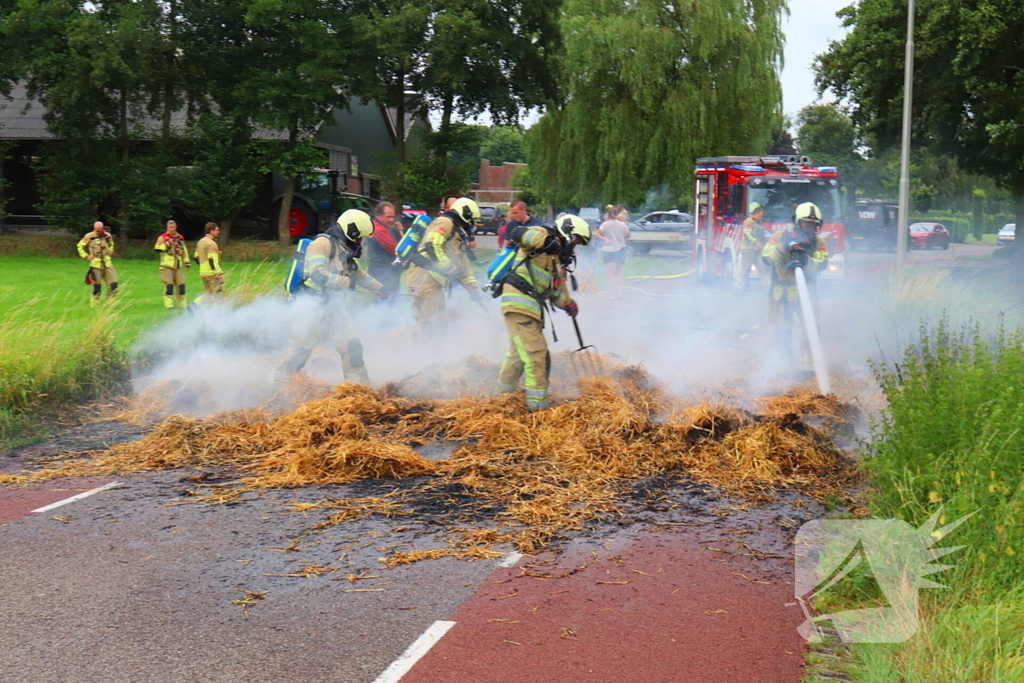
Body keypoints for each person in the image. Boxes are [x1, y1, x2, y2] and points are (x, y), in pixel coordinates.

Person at [276, 209, 387, 384]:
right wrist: (347, 283)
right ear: (353, 233)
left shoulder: (344, 249)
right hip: (312, 309)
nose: (363, 243)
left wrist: (381, 288)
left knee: (353, 348)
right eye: (362, 238)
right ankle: (278, 392)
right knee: (300, 353)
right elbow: (318, 275)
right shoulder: (322, 244)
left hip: (333, 308)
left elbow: (359, 275)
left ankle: (360, 392)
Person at [495, 215, 590, 411]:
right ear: (568, 231)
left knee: (518, 355)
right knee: (536, 355)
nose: (575, 246)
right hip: (519, 303)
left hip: (530, 309)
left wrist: (567, 304)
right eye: (576, 240)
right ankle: (537, 410)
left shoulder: (557, 260)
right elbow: (517, 233)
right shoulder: (541, 234)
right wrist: (547, 243)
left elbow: (554, 292)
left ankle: (501, 398)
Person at [405, 197, 483, 332]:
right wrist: (448, 267)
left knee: (441, 322)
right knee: (426, 323)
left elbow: (464, 269)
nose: (472, 224)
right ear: (465, 214)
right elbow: (432, 245)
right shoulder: (445, 222)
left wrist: (474, 291)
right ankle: (419, 351)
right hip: (422, 282)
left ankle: (435, 351)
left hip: (434, 285)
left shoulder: (457, 234)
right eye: (472, 220)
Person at [761, 202, 829, 353]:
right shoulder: (780, 236)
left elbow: (822, 264)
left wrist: (807, 261)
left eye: (813, 224)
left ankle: (807, 367)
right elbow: (766, 258)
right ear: (797, 222)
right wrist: (783, 246)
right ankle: (783, 365)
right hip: (781, 293)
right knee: (782, 330)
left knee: (811, 331)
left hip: (807, 292)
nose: (809, 227)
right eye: (806, 223)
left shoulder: (819, 242)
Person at [366, 201, 403, 297]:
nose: (392, 219)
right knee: (386, 304)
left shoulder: (384, 227)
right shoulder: (379, 229)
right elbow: (397, 251)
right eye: (388, 217)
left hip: (386, 271)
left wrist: (397, 231)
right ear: (379, 215)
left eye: (393, 216)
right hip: (383, 274)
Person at [77, 221, 118, 307]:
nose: (97, 232)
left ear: (103, 229)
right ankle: (95, 305)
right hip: (96, 264)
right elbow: (80, 246)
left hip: (107, 263)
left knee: (113, 284)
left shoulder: (108, 236)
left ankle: (111, 304)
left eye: (99, 231)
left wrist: (110, 251)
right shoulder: (89, 236)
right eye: (96, 230)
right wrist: (85, 256)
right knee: (97, 286)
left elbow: (111, 244)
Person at [154, 219, 191, 309]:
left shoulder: (180, 238)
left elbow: (184, 251)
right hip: (167, 265)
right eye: (170, 227)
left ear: (176, 227)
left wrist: (187, 262)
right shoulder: (162, 237)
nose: (172, 229)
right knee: (169, 285)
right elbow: (157, 248)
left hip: (178, 265)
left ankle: (183, 304)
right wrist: (167, 244)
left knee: (181, 285)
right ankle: (169, 305)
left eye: (173, 227)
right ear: (167, 227)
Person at [596, 208, 630, 299]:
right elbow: (628, 236)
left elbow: (597, 234)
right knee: (619, 272)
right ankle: (619, 293)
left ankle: (612, 294)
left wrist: (605, 239)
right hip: (621, 249)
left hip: (608, 250)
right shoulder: (623, 224)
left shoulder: (605, 224)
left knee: (611, 273)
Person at [735, 203, 766, 292]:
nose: (762, 217)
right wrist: (756, 243)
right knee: (746, 269)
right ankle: (739, 288)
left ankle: (766, 288)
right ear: (756, 214)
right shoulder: (749, 222)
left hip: (757, 250)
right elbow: (747, 235)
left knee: (763, 269)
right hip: (748, 250)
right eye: (761, 215)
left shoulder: (759, 223)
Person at [192, 222, 224, 305]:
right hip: (211, 273)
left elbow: (196, 257)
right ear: (211, 231)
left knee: (209, 293)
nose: (218, 232)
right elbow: (212, 260)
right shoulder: (212, 244)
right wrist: (219, 274)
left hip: (203, 272)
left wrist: (203, 267)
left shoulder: (200, 242)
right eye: (217, 230)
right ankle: (216, 312)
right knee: (217, 293)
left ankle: (194, 305)